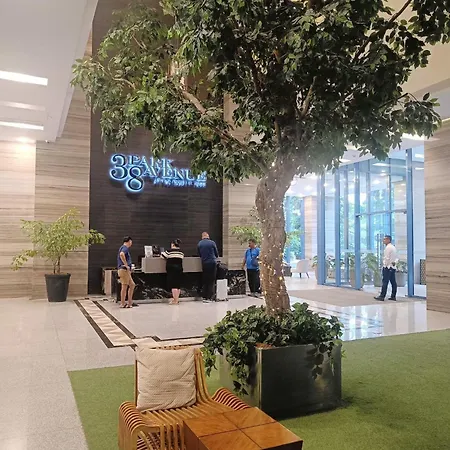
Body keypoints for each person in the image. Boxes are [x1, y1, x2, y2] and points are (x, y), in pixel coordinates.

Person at [374, 235, 398, 301]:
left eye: (385, 239)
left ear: (388, 240)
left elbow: (387, 258)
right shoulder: (393, 247)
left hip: (388, 267)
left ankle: (382, 296)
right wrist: (394, 263)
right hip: (392, 267)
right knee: (393, 282)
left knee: (385, 282)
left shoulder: (388, 248)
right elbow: (396, 258)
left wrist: (385, 265)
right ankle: (393, 296)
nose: (383, 241)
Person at [161, 239, 184, 305]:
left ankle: (175, 301)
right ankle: (177, 299)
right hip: (179, 269)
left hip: (172, 270)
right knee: (178, 286)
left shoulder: (169, 251)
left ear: (173, 244)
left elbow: (162, 256)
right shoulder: (181, 252)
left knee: (173, 285)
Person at [198, 232, 219, 303]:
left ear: (202, 237)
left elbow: (199, 254)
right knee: (211, 280)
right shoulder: (212, 243)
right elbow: (216, 254)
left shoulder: (200, 243)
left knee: (205, 280)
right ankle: (210, 297)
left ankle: (204, 297)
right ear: (208, 236)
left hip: (204, 263)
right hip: (212, 263)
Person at [117, 236, 135, 308]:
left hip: (125, 270)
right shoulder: (125, 248)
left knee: (132, 285)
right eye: (131, 242)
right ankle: (123, 303)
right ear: (129, 241)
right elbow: (121, 254)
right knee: (124, 286)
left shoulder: (122, 247)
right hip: (124, 270)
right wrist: (126, 265)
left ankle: (129, 302)